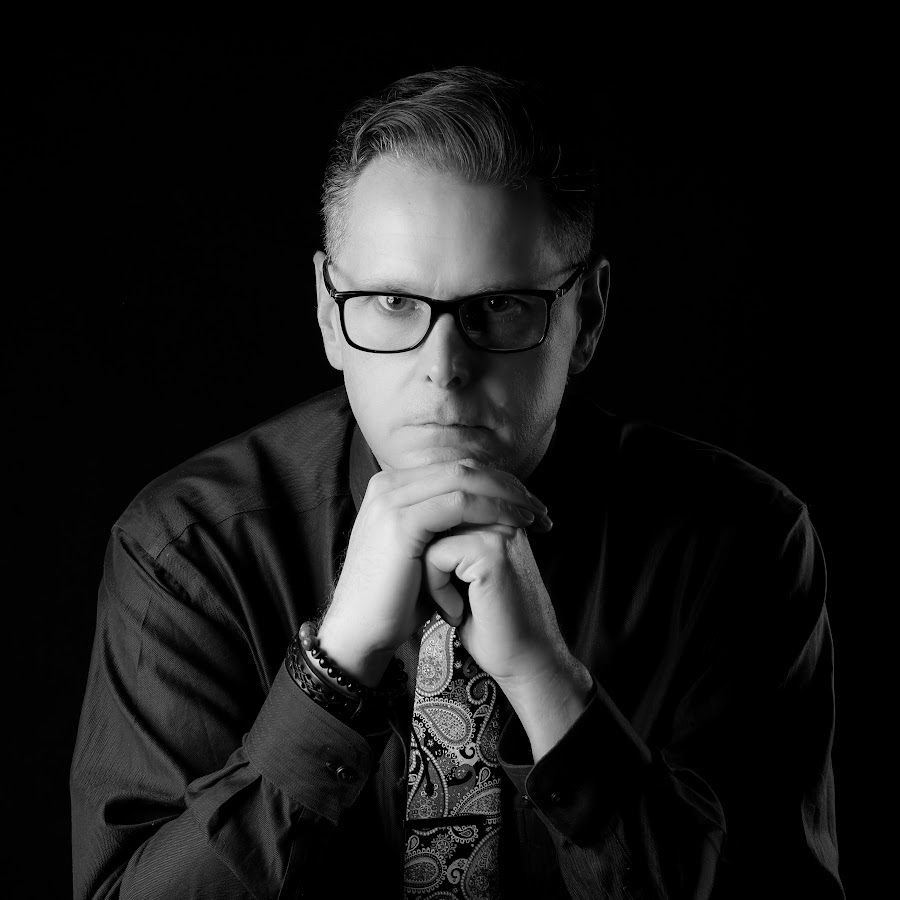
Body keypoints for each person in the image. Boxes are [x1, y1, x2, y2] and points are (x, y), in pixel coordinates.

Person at [71, 66, 843, 899]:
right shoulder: (189, 550)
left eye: (500, 306)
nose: (444, 368)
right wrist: (332, 675)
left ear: (587, 316)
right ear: (330, 314)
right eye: (392, 303)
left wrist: (550, 686)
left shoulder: (741, 544)